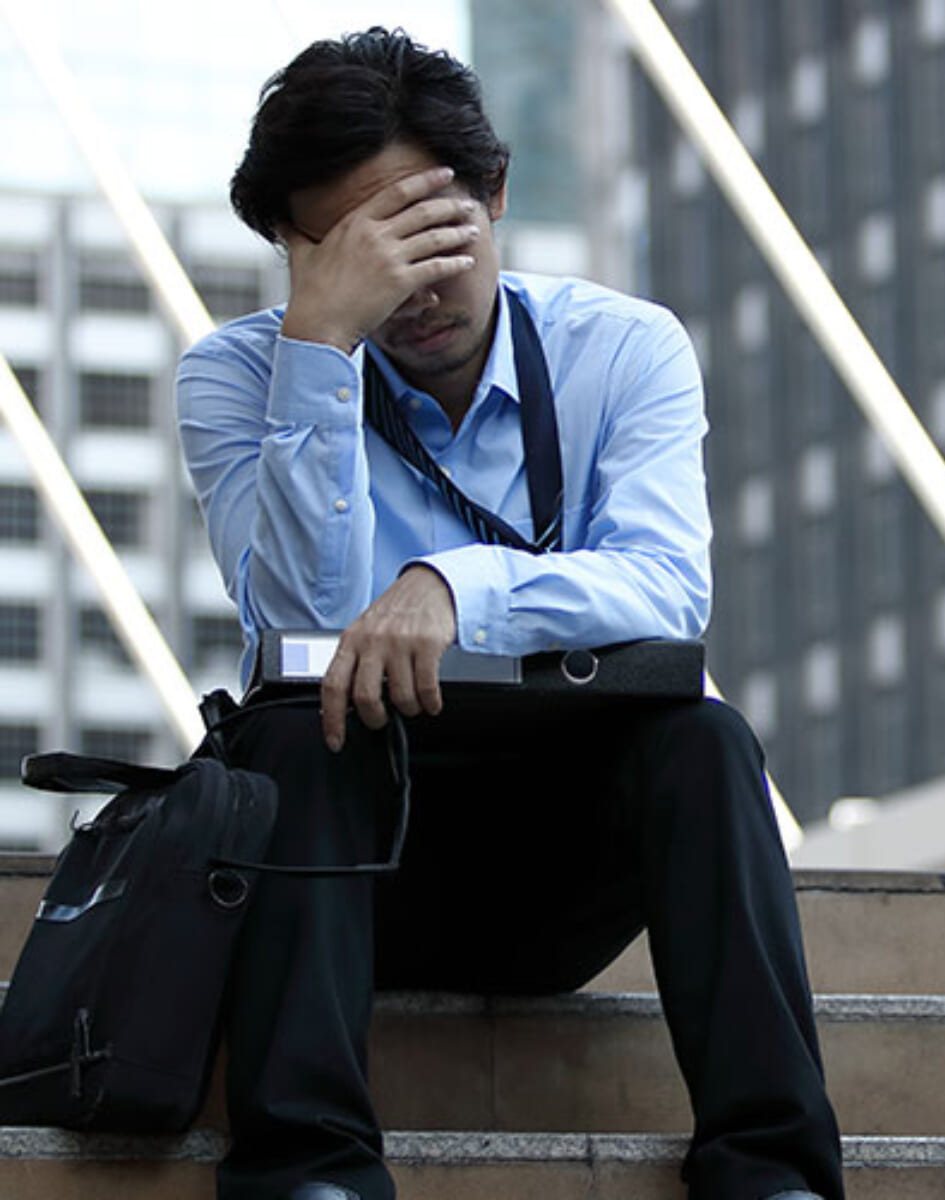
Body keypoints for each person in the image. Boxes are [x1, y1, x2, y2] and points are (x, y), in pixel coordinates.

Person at [176, 26, 843, 1200]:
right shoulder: (239, 376)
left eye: (432, 234)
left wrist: (457, 586)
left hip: (556, 875)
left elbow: (666, 587)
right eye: (362, 253)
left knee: (704, 740)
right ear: (297, 252)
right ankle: (308, 1176)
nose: (413, 289)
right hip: (339, 876)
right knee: (289, 734)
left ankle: (772, 1173)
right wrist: (321, 345)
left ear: (493, 190)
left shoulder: (620, 351)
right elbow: (299, 625)